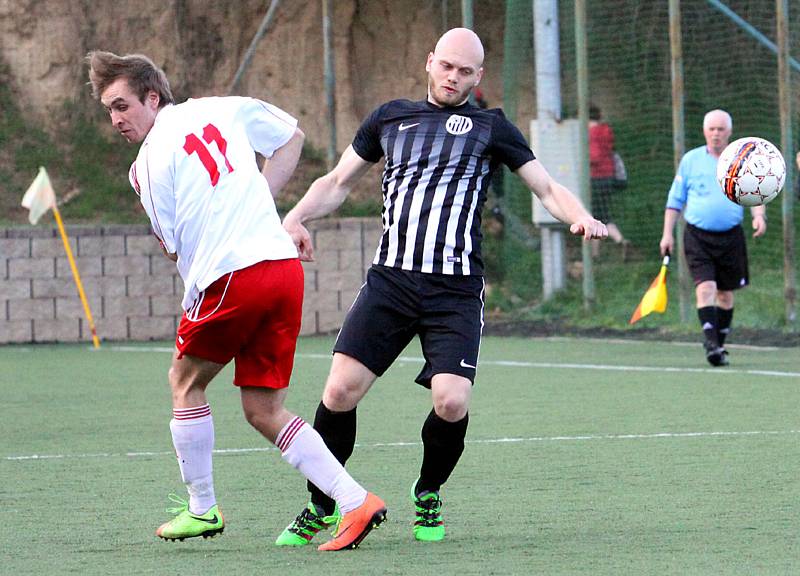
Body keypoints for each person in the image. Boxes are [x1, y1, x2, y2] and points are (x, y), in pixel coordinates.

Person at [279, 27, 607, 545]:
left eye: (465, 71)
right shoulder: (390, 117)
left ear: (479, 78)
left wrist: (580, 216)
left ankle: (428, 491)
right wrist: (294, 218)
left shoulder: (492, 127)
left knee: (451, 402)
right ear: (430, 62)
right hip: (390, 281)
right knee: (339, 391)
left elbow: (546, 186)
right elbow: (337, 182)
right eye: (446, 66)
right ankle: (323, 503)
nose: (453, 77)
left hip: (454, 291)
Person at [86, 51, 386, 552]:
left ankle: (202, 508)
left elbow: (176, 248)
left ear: (153, 97)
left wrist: (204, 280)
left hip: (232, 278)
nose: (116, 119)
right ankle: (356, 502)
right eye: (109, 111)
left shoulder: (145, 167)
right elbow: (292, 137)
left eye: (122, 105)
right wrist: (260, 208)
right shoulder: (219, 108)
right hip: (282, 269)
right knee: (264, 407)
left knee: (184, 381)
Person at [659, 109, 767, 367]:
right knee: (705, 287)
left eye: (721, 129)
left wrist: (759, 215)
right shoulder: (691, 160)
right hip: (697, 236)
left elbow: (755, 192)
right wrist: (667, 234)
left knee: (725, 296)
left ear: (729, 132)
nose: (716, 134)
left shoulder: (742, 160)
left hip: (731, 237)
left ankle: (718, 345)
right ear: (704, 131)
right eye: (712, 129)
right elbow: (675, 200)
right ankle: (710, 344)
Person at [589, 104, 628, 256]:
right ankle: (595, 252)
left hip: (595, 178)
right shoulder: (606, 130)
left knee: (595, 216)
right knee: (600, 215)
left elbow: (595, 156)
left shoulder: (591, 133)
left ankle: (618, 241)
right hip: (609, 177)